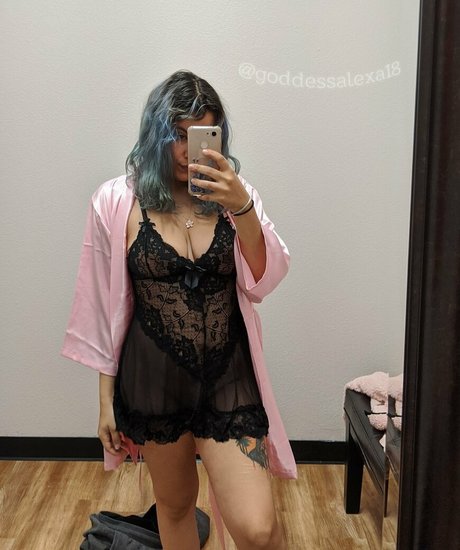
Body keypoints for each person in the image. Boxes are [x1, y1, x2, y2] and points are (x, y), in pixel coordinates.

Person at [61, 69, 297, 550]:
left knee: (258, 529)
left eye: (203, 135)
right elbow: (103, 309)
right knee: (174, 505)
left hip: (227, 379)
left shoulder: (235, 195)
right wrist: (105, 402)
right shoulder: (115, 201)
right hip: (152, 383)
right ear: (156, 135)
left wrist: (242, 207)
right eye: (179, 137)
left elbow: (264, 278)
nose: (191, 151)